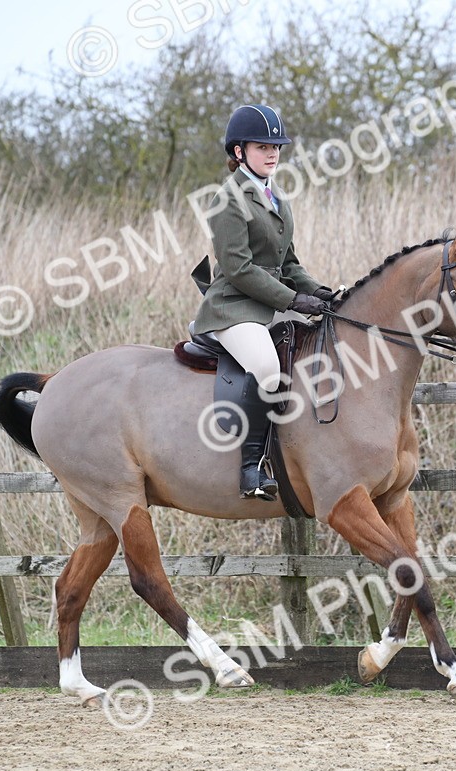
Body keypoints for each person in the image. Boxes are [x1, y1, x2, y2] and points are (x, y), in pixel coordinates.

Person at [191, 104, 336, 501]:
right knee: (268, 367)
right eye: (262, 146)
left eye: (277, 146)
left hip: (261, 309)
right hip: (231, 309)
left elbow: (288, 262)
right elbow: (238, 269)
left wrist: (319, 292)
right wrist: (293, 299)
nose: (272, 153)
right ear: (238, 152)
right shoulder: (227, 200)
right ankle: (252, 468)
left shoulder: (277, 199)